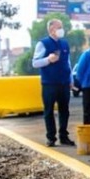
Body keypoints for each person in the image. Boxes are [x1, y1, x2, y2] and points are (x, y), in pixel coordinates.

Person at [32, 18, 75, 147]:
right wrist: (48, 60)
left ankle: (64, 136)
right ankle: (51, 137)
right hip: (49, 83)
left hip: (63, 83)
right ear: (51, 29)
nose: (62, 30)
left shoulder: (64, 44)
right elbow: (35, 63)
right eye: (59, 27)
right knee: (49, 111)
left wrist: (71, 80)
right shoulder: (43, 44)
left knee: (64, 110)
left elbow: (68, 63)